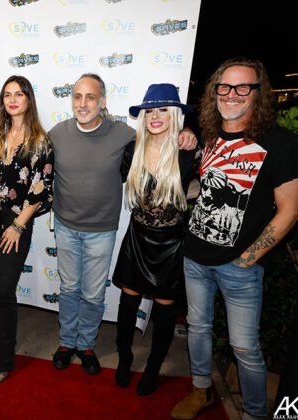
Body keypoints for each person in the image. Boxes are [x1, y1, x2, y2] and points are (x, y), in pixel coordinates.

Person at [171, 57, 298, 420]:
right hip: (195, 258)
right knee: (198, 330)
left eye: (243, 87)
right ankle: (201, 391)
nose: (232, 94)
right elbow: (207, 189)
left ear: (259, 92)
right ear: (215, 92)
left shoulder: (280, 142)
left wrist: (248, 257)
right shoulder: (210, 136)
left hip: (240, 267)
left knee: (245, 349)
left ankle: (254, 414)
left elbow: (290, 209)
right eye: (224, 87)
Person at [48, 73, 197, 375]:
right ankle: (66, 343)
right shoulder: (57, 133)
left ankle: (86, 345)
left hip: (102, 231)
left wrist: (187, 131)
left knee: (93, 294)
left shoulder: (125, 135)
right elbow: (31, 148)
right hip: (65, 226)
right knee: (69, 288)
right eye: (77, 96)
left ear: (103, 102)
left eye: (90, 97)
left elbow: (161, 136)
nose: (83, 103)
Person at [112, 84, 198, 396]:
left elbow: (203, 187)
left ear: (175, 114)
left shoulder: (189, 151)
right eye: (150, 111)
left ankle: (153, 367)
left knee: (164, 313)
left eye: (163, 110)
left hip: (172, 245)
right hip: (137, 239)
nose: (155, 116)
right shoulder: (132, 149)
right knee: (127, 305)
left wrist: (191, 134)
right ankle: (124, 359)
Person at [0, 75, 54, 385]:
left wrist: (17, 226)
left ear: (28, 100)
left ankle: (3, 360)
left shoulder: (40, 141)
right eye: (7, 95)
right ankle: (3, 342)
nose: (12, 100)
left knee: (5, 290)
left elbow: (40, 191)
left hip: (17, 224)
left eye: (18, 94)